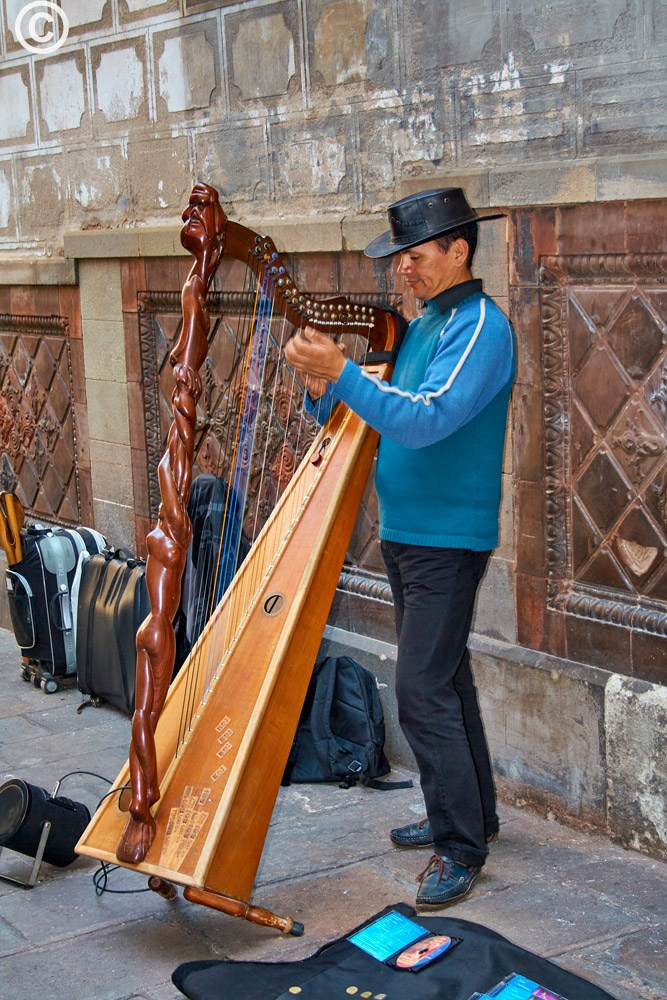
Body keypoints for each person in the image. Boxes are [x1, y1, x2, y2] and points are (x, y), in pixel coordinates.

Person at [284, 187, 515, 908]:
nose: (403, 272)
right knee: (446, 682)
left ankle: (459, 846)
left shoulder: (479, 327)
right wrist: (319, 383)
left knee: (420, 690)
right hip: (409, 534)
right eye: (399, 261)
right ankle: (472, 814)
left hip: (448, 539)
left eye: (415, 257)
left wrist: (343, 373)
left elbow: (424, 420)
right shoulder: (424, 326)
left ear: (457, 251)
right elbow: (368, 408)